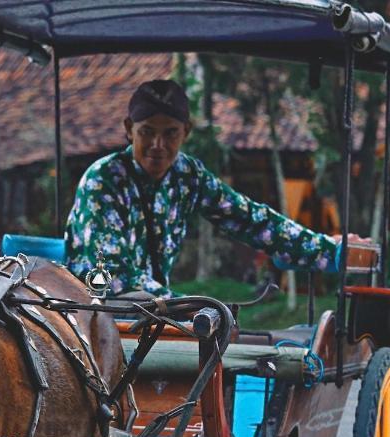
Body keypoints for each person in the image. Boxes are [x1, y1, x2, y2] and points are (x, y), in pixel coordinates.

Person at [65, 79, 344, 298]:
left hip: (153, 316)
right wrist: (184, 306)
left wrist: (329, 250)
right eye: (147, 131)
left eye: (170, 133)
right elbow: (113, 273)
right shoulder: (103, 179)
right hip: (92, 316)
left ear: (186, 131)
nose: (158, 145)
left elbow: (251, 219)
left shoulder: (188, 175)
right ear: (129, 129)